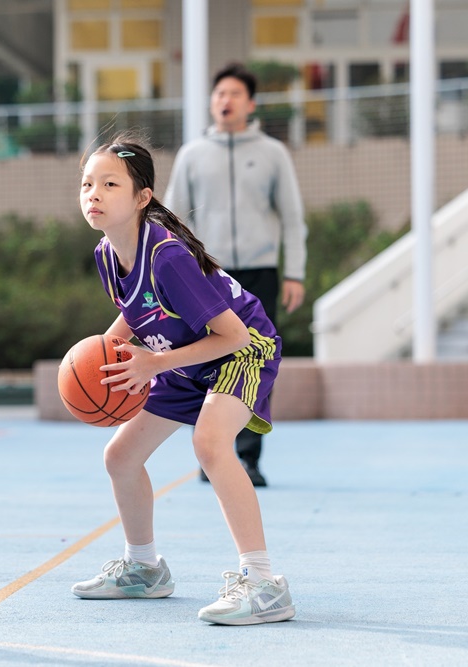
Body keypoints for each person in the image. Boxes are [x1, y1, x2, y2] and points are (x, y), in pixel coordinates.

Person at [70, 133, 295, 626]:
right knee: (120, 457)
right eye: (87, 184)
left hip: (242, 349)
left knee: (210, 445)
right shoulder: (107, 254)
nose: (94, 194)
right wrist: (103, 357)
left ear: (142, 197)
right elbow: (137, 309)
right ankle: (144, 568)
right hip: (182, 355)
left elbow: (233, 336)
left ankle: (263, 584)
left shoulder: (168, 256)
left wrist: (151, 364)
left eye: (110, 184)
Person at [164, 62, 307, 487]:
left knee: (255, 361)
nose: (225, 100)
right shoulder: (192, 155)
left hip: (259, 273)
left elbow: (293, 218)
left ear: (251, 104)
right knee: (204, 359)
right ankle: (210, 452)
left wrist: (294, 273)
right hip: (206, 274)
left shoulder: (273, 153)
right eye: (219, 94)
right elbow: (171, 220)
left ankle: (248, 457)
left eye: (234, 94)